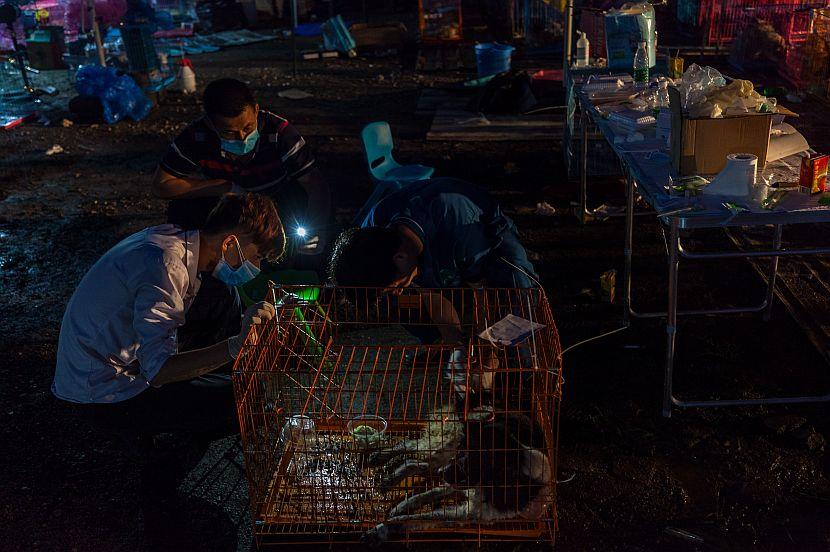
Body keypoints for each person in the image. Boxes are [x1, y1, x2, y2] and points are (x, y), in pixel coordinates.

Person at [53, 193, 283, 428]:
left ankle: (216, 380)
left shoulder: (175, 239)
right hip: (102, 389)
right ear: (229, 243)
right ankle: (163, 451)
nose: (257, 267)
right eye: (257, 257)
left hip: (100, 361)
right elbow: (158, 371)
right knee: (250, 402)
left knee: (225, 299)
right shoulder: (166, 265)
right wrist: (235, 345)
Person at [152, 77, 330, 255]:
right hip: (227, 204)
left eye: (248, 127)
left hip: (277, 202)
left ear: (256, 110)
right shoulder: (197, 137)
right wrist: (225, 187)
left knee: (300, 209)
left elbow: (315, 184)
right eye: (229, 132)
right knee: (184, 208)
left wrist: (316, 229)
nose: (242, 138)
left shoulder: (279, 132)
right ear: (209, 123)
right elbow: (161, 186)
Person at [328, 177, 538, 292]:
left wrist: (486, 343)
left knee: (517, 293)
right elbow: (426, 293)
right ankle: (443, 345)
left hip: (484, 232)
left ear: (400, 257)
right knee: (412, 303)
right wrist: (455, 344)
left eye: (394, 286)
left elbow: (480, 286)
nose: (398, 290)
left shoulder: (457, 224)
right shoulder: (371, 234)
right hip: (428, 248)